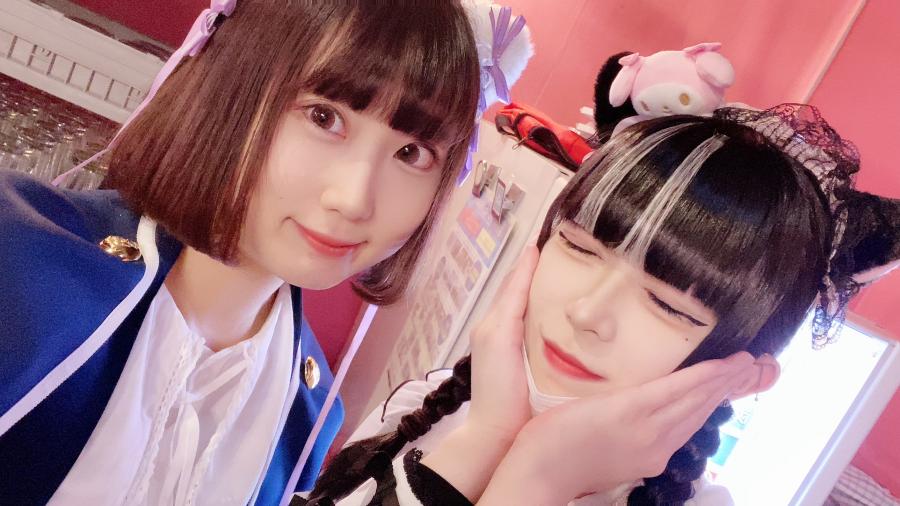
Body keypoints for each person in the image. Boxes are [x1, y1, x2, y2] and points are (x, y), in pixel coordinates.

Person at [0, 1, 533, 504]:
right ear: (229, 90)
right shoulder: (18, 261)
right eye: (324, 118)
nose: (354, 199)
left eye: (411, 153)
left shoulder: (309, 412)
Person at [301, 105, 900, 505]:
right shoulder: (430, 407)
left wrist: (539, 478)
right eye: (580, 249)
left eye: (669, 306)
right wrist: (490, 439)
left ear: (746, 372)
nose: (588, 314)